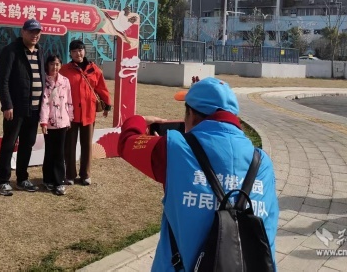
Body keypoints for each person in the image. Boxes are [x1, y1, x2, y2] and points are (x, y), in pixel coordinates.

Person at [118, 77, 279, 271]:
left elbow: (126, 142)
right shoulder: (262, 162)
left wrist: (138, 121)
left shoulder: (173, 149)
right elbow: (268, 231)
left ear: (191, 115)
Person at [0, 19, 45, 196]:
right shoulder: (11, 51)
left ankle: (22, 178)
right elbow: (2, 80)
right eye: (31, 32)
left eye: (37, 32)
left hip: (34, 109)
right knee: (9, 143)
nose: (34, 35)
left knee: (27, 144)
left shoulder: (39, 51)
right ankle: (3, 181)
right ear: (23, 32)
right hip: (15, 109)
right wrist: (7, 105)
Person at [60, 39, 112, 186]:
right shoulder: (65, 70)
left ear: (84, 51)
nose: (78, 53)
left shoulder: (94, 69)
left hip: (88, 113)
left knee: (87, 145)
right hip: (70, 114)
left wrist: (107, 105)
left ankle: (85, 174)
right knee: (69, 145)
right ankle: (70, 175)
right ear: (70, 53)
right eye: (74, 51)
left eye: (80, 50)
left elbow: (102, 88)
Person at [39, 54, 73, 196]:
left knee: (59, 153)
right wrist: (43, 121)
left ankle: (59, 182)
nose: (55, 67)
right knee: (49, 152)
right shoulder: (44, 81)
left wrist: (70, 117)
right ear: (47, 65)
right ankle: (48, 179)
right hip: (49, 123)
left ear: (61, 65)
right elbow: (44, 103)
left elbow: (69, 100)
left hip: (63, 122)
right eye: (52, 64)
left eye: (57, 64)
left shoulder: (65, 81)